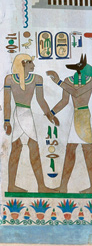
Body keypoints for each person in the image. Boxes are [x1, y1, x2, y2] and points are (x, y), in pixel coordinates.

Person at [4, 54, 59, 192]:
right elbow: (7, 102)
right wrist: (7, 121)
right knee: (17, 149)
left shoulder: (37, 79)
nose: (33, 65)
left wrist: (50, 115)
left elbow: (40, 100)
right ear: (23, 64)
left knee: (30, 148)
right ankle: (13, 186)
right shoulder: (9, 79)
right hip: (19, 114)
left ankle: (40, 186)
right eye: (30, 62)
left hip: (27, 115)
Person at [47, 54, 92, 193]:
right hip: (76, 116)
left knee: (87, 151)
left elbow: (77, 93)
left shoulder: (90, 81)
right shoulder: (68, 81)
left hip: (84, 117)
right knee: (71, 150)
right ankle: (63, 187)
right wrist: (51, 112)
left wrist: (58, 82)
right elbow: (65, 101)